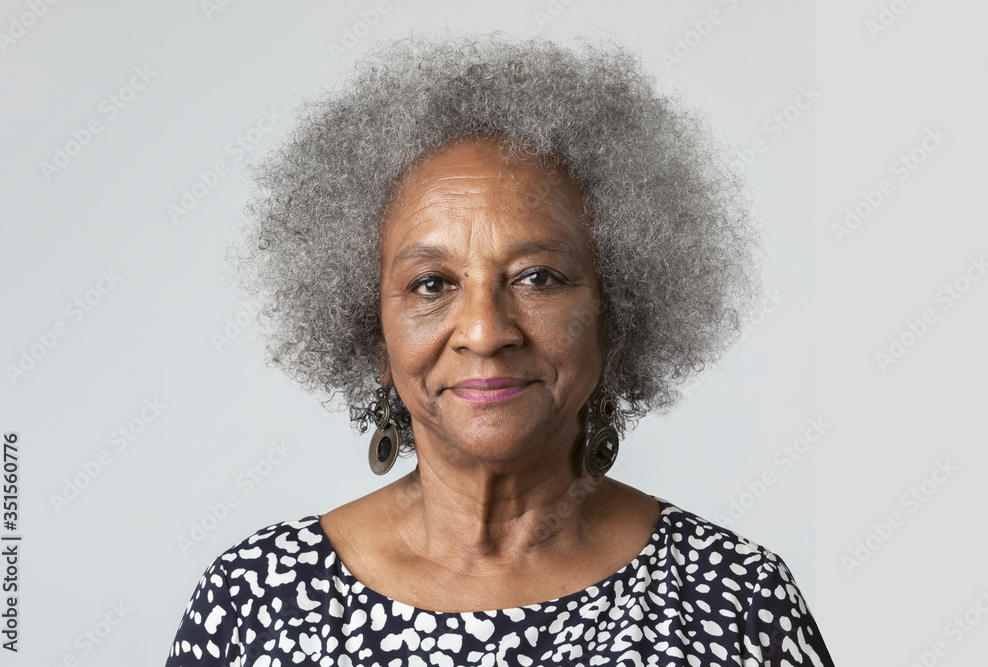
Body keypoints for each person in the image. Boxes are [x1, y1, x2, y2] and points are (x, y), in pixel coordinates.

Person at [166, 34, 834, 665]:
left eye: (537, 277)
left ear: (617, 317)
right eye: (432, 283)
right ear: (375, 337)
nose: (485, 332)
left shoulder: (739, 602)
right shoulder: (253, 601)